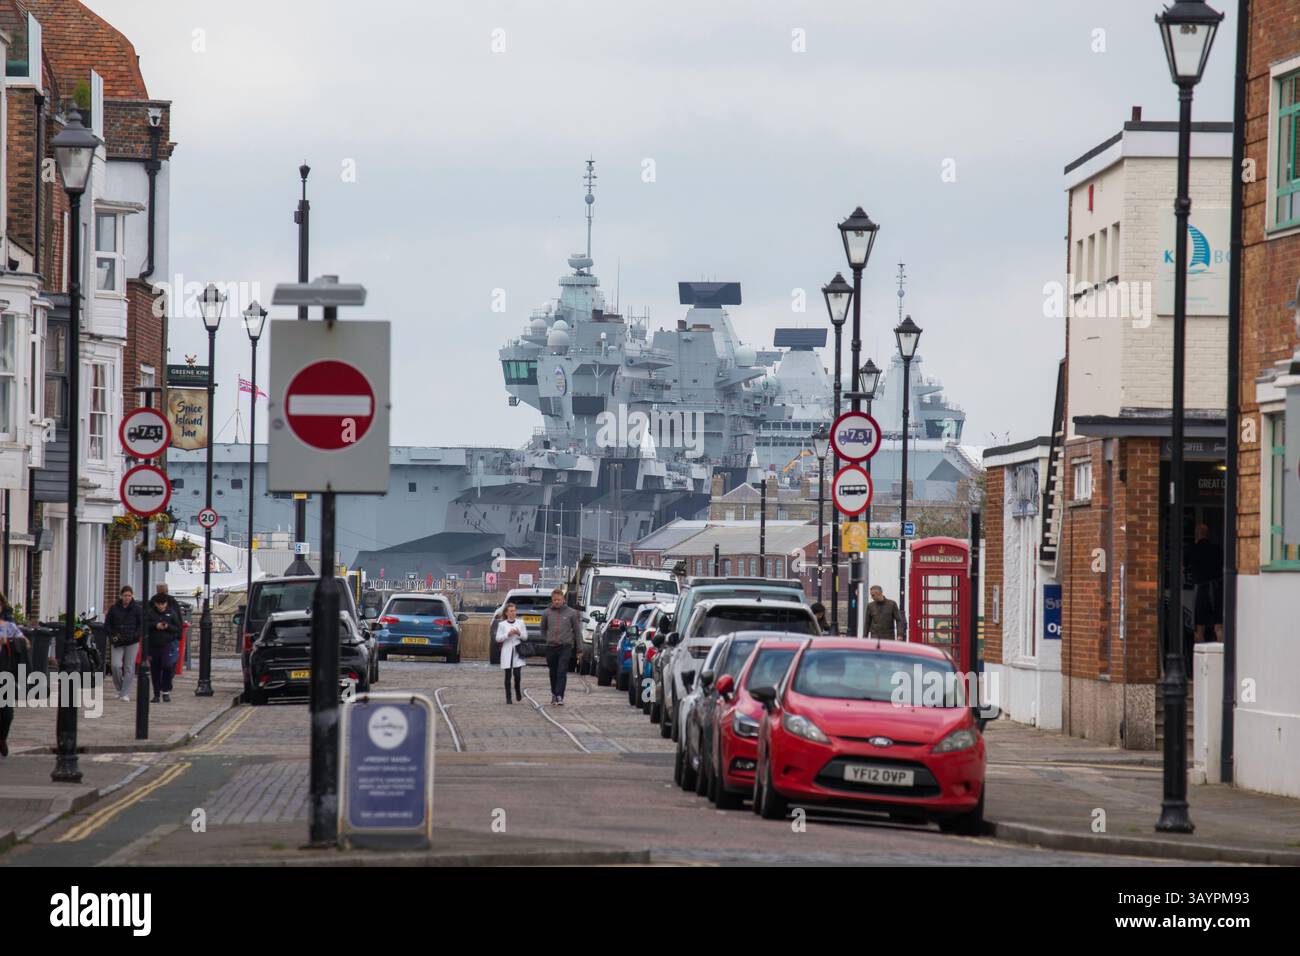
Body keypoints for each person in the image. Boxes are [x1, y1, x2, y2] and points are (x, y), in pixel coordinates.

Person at [539, 587, 581, 706]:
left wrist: (579, 648)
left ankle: (559, 695)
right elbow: (542, 629)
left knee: (562, 671)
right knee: (553, 672)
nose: (557, 602)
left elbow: (577, 631)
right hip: (551, 647)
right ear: (552, 600)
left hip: (565, 647)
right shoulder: (547, 613)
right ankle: (554, 693)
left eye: (559, 599)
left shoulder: (571, 613)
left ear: (563, 599)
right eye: (554, 600)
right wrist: (546, 639)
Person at [105, 585, 143, 702]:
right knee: (115, 666)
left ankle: (125, 693)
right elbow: (107, 625)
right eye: (125, 595)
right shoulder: (114, 608)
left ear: (132, 596)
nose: (127, 598)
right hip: (118, 641)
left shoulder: (137, 609)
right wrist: (112, 635)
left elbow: (141, 625)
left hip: (132, 641)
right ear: (121, 596)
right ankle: (120, 689)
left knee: (129, 667)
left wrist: (136, 635)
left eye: (129, 596)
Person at [1189, 523, 1224, 643]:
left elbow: (1185, 567)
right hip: (1217, 589)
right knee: (1219, 627)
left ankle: (1199, 660)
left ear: (1196, 535)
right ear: (1208, 535)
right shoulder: (1217, 549)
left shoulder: (1193, 549)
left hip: (1201, 590)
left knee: (1199, 629)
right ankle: (1221, 656)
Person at [0, 616, 29, 757]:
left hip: (6, 674)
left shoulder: (9, 627)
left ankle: (2, 738)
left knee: (7, 714)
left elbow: (25, 643)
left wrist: (11, 641)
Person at [145, 592, 182, 703]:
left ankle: (165, 691)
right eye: (159, 604)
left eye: (163, 604)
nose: (161, 606)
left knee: (167, 666)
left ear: (166, 604)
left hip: (167, 644)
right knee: (155, 670)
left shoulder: (171, 613)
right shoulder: (150, 614)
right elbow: (145, 626)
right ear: (155, 604)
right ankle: (156, 694)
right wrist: (155, 625)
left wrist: (167, 627)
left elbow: (177, 627)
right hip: (153, 645)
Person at [496, 602, 526, 704]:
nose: (513, 613)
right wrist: (507, 634)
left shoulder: (520, 623)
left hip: (517, 650)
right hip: (507, 651)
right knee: (507, 676)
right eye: (511, 611)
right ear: (506, 613)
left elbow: (525, 636)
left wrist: (518, 633)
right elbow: (498, 638)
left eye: (514, 611)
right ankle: (508, 697)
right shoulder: (502, 624)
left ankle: (517, 690)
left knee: (517, 675)